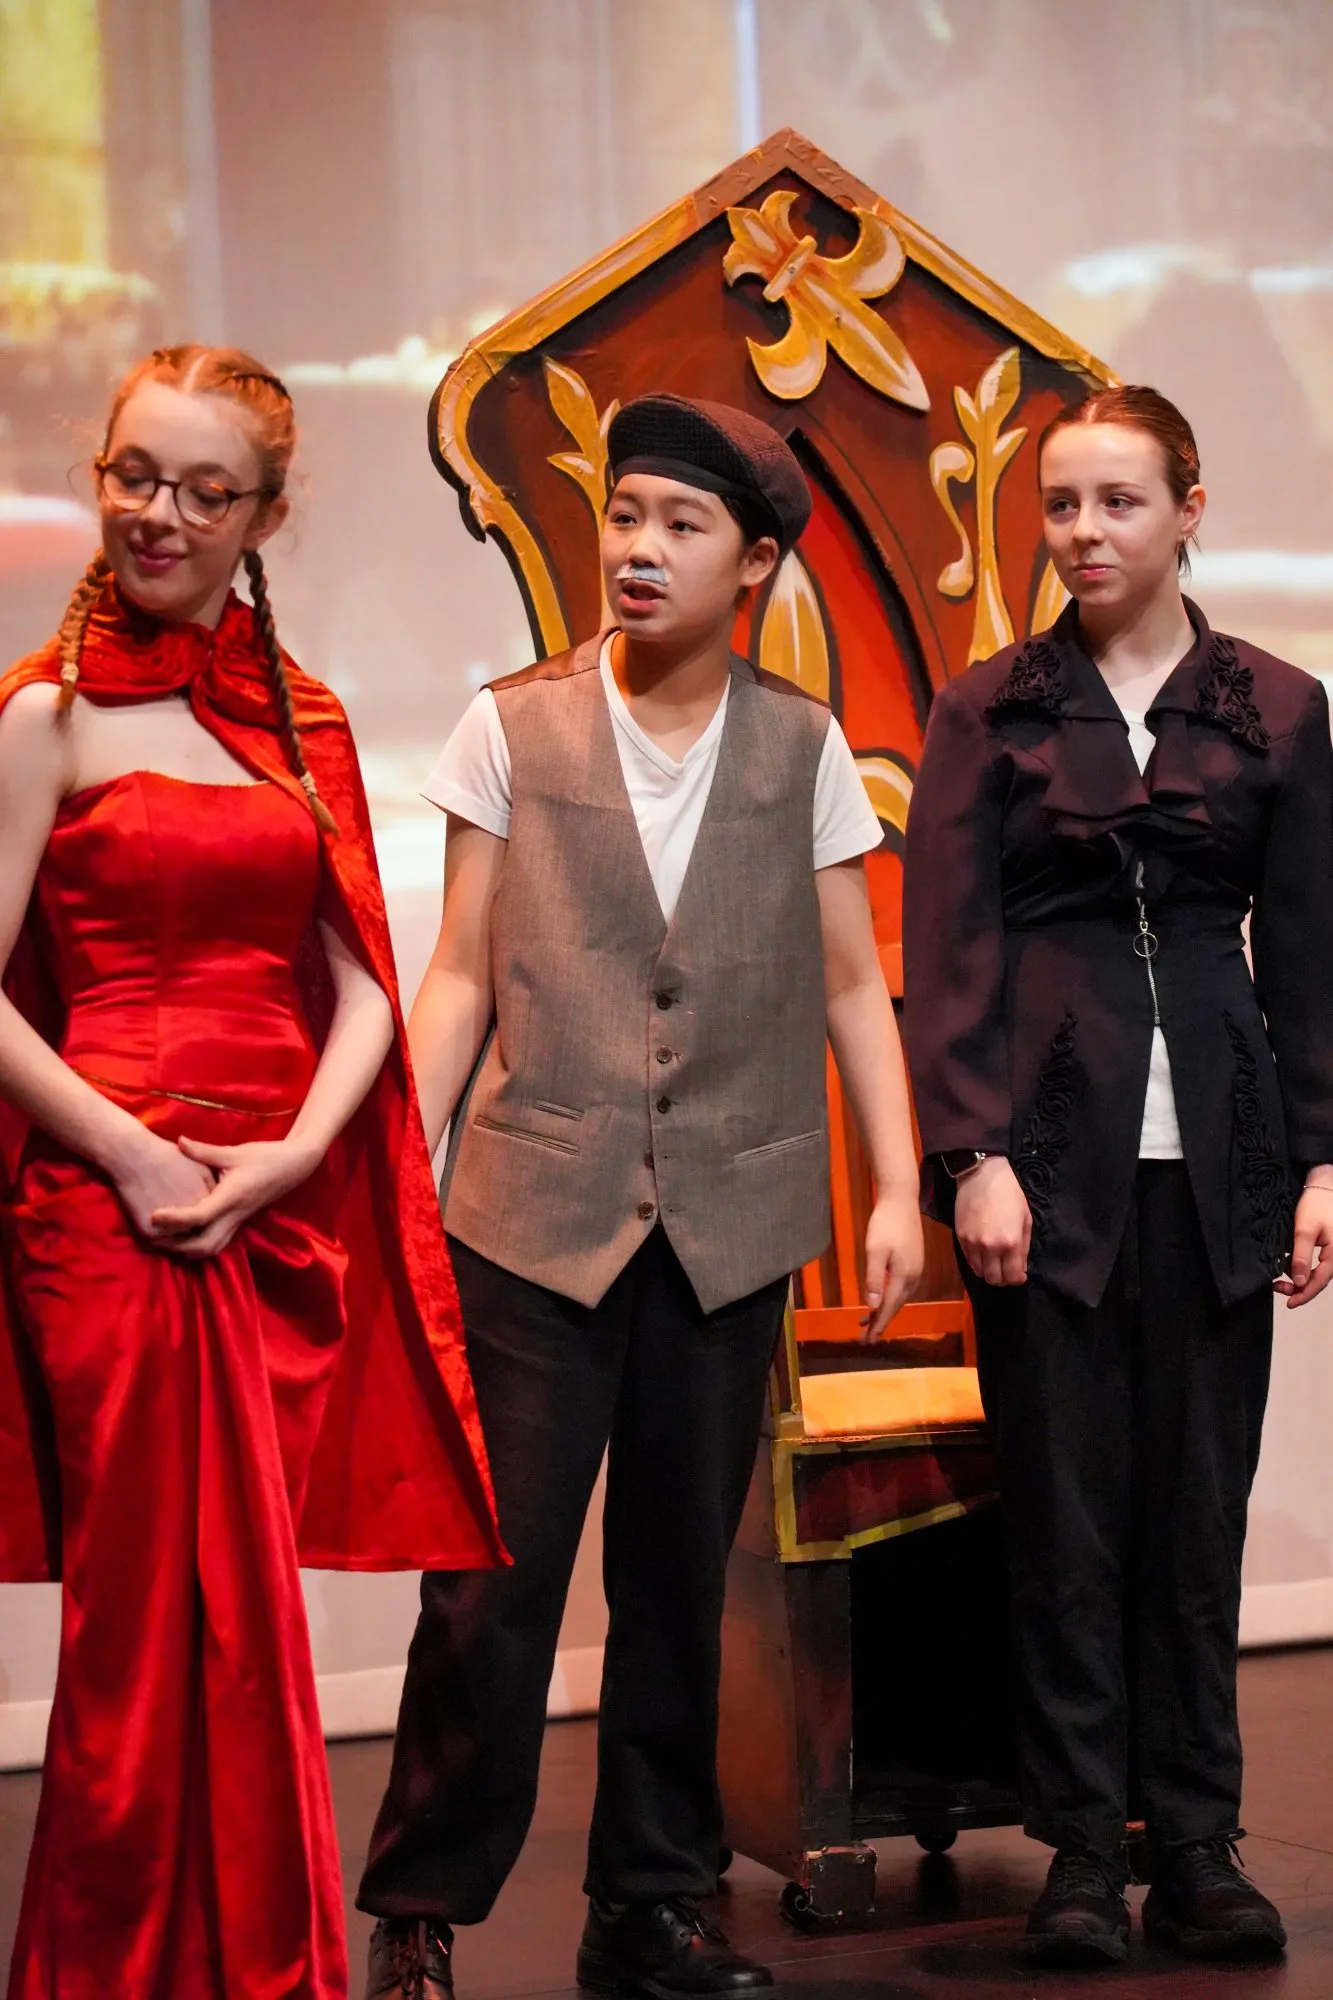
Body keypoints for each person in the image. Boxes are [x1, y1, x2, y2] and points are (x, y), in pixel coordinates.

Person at [357, 394, 924, 1998]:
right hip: (535, 1212)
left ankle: (652, 1899)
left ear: (751, 563)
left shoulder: (801, 745)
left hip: (733, 1219)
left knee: (680, 1584)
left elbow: (850, 982)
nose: (639, 551)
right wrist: (407, 1158)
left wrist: (893, 1182)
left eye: (681, 526)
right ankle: (420, 1905)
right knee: (491, 1584)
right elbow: (460, 969)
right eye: (626, 518)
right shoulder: (509, 726)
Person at [0, 344, 505, 2000]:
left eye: (203, 489)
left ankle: (255, 1966)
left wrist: (291, 1156)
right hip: (106, 1209)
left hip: (257, 1210)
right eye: (135, 473)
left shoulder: (303, 719)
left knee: (245, 1627)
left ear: (265, 513)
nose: (159, 512)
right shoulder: (45, 714)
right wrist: (137, 1151)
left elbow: (362, 974)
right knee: (142, 1632)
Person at [904, 384, 1333, 1968]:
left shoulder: (1279, 706)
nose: (1084, 531)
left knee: (1196, 1516)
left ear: (1190, 507)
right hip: (1047, 1165)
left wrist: (1323, 1157)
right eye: (1063, 503)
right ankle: (1083, 1848)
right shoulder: (991, 708)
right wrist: (973, 1157)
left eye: (1119, 502)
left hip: (1220, 1158)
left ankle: (1199, 1842)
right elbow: (944, 949)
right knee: (1065, 1522)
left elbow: (1306, 953)